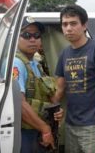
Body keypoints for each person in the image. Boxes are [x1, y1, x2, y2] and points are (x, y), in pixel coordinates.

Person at [53, 5, 95, 153]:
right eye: (65, 24)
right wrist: (53, 109)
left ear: (84, 25)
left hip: (92, 126)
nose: (68, 28)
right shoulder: (64, 54)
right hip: (70, 124)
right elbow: (59, 89)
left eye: (73, 23)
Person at [13, 19, 63, 153]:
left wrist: (57, 111)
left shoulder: (35, 64)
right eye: (27, 35)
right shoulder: (17, 63)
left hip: (35, 129)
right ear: (15, 37)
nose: (33, 39)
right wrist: (45, 129)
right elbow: (19, 103)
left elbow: (44, 93)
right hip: (25, 132)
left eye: (37, 36)